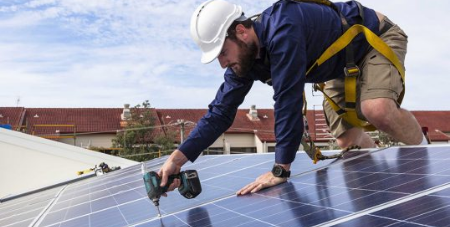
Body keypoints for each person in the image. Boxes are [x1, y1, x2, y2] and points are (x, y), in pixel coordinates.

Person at [158, 0, 426, 196]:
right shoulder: (244, 60)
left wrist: (280, 169)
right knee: (348, 140)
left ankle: (433, 162)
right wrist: (177, 160)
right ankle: (378, 193)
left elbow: (287, 101)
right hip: (338, 64)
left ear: (241, 31)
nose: (222, 63)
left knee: (375, 109)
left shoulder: (283, 28)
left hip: (373, 39)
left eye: (222, 53)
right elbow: (220, 113)